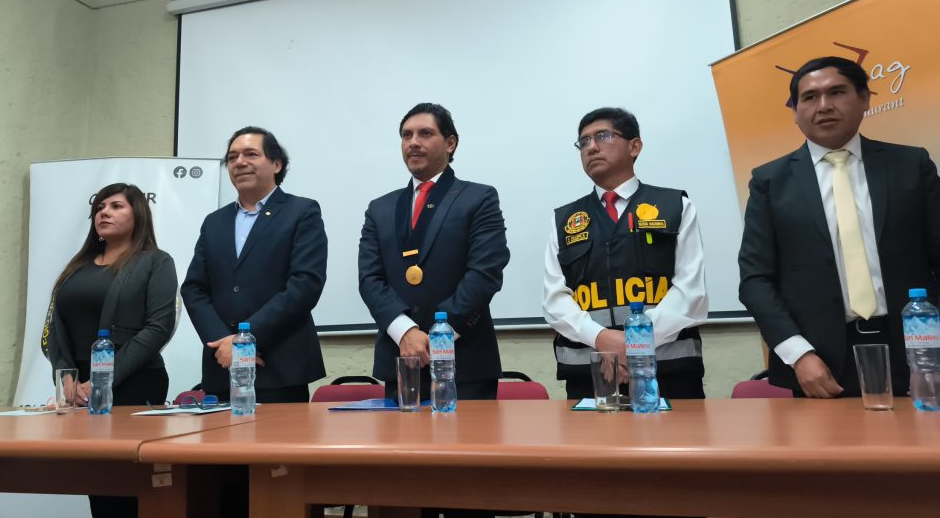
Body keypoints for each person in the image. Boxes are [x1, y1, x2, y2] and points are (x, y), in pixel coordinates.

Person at [738, 56, 940, 398]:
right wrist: (797, 354)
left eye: (836, 92)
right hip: (818, 363)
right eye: (810, 97)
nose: (824, 106)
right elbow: (755, 279)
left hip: (917, 351)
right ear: (795, 111)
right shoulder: (770, 182)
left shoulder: (910, 165)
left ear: (864, 99)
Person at [543, 107, 708, 400]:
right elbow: (555, 300)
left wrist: (635, 344)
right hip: (591, 375)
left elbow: (691, 292)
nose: (591, 147)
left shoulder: (675, 206)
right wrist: (601, 338)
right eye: (584, 141)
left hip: (668, 372)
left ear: (635, 146)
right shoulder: (565, 219)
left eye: (602, 136)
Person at [359, 102, 510, 403]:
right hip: (401, 359)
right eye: (406, 135)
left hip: (465, 362)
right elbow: (370, 279)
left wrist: (439, 335)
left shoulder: (479, 198)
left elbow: (485, 273)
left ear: (450, 143)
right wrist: (405, 332)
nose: (413, 142)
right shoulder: (380, 208)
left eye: (425, 133)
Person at [45, 182, 177, 518]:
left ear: (138, 215)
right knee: (100, 485)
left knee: (129, 489)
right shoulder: (78, 266)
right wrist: (66, 378)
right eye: (100, 208)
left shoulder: (156, 262)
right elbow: (55, 328)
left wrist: (103, 380)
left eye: (116, 206)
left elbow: (158, 327)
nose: (104, 212)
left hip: (134, 383)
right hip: (79, 389)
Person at [182, 126, 327, 404]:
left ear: (276, 164)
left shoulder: (302, 212)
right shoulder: (214, 222)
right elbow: (194, 289)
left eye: (250, 154)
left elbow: (305, 284)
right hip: (222, 364)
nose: (239, 162)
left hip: (279, 366)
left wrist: (245, 340)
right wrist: (223, 342)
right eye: (232, 157)